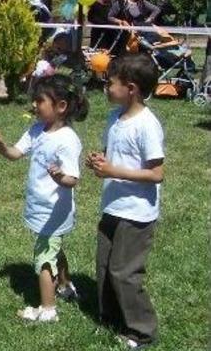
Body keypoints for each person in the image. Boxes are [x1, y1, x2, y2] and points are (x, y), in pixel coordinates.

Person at [0, 74, 87, 322]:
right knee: (54, 248)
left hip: (53, 211)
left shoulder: (67, 140)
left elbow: (73, 179)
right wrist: (1, 146)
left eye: (40, 100)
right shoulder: (36, 130)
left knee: (44, 258)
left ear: (61, 106)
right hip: (40, 207)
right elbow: (15, 154)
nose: (34, 105)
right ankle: (65, 286)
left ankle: (47, 309)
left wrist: (59, 178)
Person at [86, 53, 164, 349]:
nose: (106, 87)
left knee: (124, 272)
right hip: (113, 205)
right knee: (105, 266)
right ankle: (111, 319)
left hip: (137, 213)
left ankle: (142, 331)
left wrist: (113, 170)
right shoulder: (114, 118)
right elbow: (111, 155)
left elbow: (156, 173)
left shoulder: (147, 125)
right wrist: (99, 161)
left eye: (111, 83)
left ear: (130, 88)